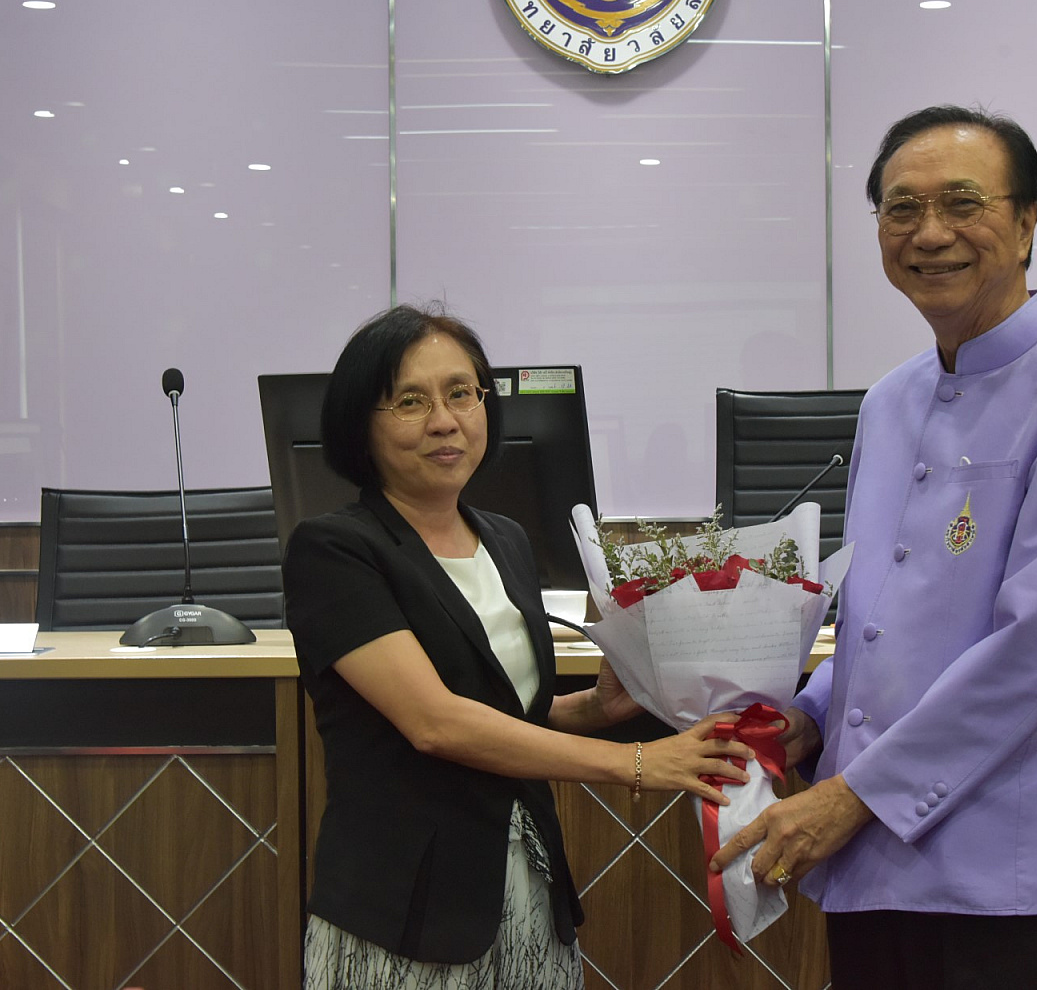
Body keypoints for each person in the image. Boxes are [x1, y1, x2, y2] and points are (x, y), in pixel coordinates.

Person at [710, 104, 1037, 989]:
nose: (930, 233)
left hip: (997, 876)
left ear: (1026, 223)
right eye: (902, 209)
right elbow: (877, 624)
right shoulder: (890, 401)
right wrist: (808, 716)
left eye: (962, 203)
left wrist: (853, 795)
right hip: (867, 870)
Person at [284, 304, 751, 989]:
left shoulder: (504, 539)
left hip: (528, 889)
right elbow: (436, 723)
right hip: (405, 912)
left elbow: (503, 712)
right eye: (410, 401)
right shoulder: (333, 550)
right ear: (361, 424)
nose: (445, 420)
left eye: (461, 393)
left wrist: (594, 707)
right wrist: (635, 763)